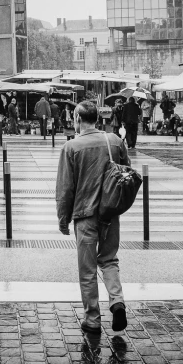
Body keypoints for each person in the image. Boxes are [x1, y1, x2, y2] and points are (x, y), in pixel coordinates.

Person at [56, 101, 129, 334]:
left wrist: (62, 219)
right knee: (109, 260)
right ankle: (117, 302)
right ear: (97, 118)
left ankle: (93, 319)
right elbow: (125, 172)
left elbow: (65, 188)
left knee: (87, 270)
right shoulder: (115, 141)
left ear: (77, 118)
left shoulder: (72, 147)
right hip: (110, 213)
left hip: (85, 215)